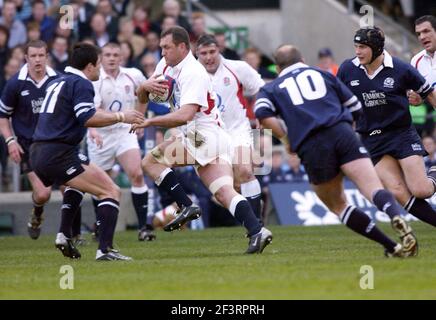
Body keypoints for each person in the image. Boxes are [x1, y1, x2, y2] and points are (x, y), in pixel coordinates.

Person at [255, 44, 418, 257]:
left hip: (311, 143)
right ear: (302, 59)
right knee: (373, 187)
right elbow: (355, 107)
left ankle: (391, 246)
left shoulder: (272, 87)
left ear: (277, 68)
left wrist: (286, 139)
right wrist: (347, 132)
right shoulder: (323, 74)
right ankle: (397, 217)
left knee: (338, 205)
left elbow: (262, 114)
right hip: (342, 132)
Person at [135, 26, 273, 254]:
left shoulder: (193, 72)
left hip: (202, 135)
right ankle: (257, 231)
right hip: (209, 137)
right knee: (223, 191)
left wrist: (149, 122)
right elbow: (144, 94)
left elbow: (186, 114)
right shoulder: (166, 66)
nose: (162, 53)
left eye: (166, 47)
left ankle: (186, 206)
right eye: (161, 48)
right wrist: (143, 89)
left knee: (150, 162)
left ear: (182, 47)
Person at [29, 42, 144, 261]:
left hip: (39, 151)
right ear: (90, 66)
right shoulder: (81, 83)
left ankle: (63, 235)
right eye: (99, 64)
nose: (100, 70)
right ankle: (105, 250)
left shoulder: (58, 81)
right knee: (111, 191)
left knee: (77, 187)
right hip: (57, 152)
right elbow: (88, 117)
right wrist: (122, 116)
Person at [338, 27, 436, 229]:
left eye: (363, 47)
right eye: (356, 46)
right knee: (398, 191)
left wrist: (421, 99)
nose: (358, 51)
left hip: (401, 134)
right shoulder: (348, 69)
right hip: (371, 139)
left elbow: (428, 93)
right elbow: (335, 99)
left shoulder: (401, 69)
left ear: (376, 48)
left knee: (421, 190)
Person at [87, 42, 155, 241]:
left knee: (137, 173)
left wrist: (139, 120)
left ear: (121, 57)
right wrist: (92, 130)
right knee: (100, 184)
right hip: (101, 134)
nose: (111, 58)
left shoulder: (133, 74)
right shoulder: (95, 80)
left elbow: (144, 95)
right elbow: (92, 111)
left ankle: (144, 227)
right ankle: (100, 224)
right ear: (101, 57)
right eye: (107, 54)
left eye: (115, 54)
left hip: (125, 132)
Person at [196, 34, 265, 224]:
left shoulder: (237, 68)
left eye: (212, 52)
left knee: (245, 171)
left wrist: (261, 113)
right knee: (222, 189)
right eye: (204, 53)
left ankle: (257, 224)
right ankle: (249, 222)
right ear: (197, 54)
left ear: (219, 50)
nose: (209, 57)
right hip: (208, 136)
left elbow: (261, 88)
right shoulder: (191, 75)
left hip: (236, 130)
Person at [0, 40, 60, 240]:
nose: (37, 60)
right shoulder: (16, 83)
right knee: (43, 194)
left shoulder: (58, 80)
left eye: (41, 55)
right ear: (26, 58)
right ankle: (37, 214)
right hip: (28, 146)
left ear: (47, 56)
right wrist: (10, 141)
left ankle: (71, 234)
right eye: (33, 56)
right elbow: (2, 117)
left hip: (55, 145)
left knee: (71, 188)